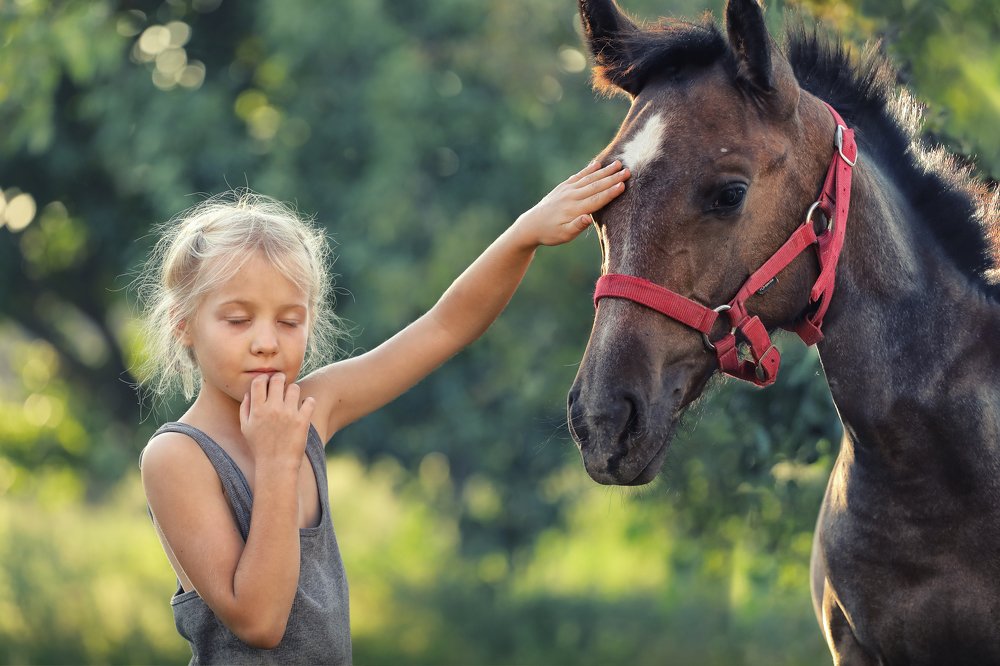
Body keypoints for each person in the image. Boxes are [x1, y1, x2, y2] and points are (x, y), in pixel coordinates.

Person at [136, 159, 629, 665]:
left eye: (289, 320)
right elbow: (260, 622)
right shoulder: (178, 457)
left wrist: (525, 233)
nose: (266, 343)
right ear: (183, 325)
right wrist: (278, 460)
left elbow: (444, 328)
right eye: (238, 319)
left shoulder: (313, 407)